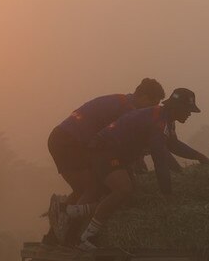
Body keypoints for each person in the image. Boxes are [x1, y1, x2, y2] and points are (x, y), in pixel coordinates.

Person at [76, 88, 209, 250]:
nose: (189, 114)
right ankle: (86, 237)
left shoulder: (165, 118)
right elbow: (160, 160)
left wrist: (198, 156)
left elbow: (173, 144)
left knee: (131, 196)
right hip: (105, 151)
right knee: (123, 190)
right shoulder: (158, 122)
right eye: (188, 110)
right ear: (176, 107)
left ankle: (71, 213)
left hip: (116, 154)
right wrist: (168, 194)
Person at [48, 78, 165, 207]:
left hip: (65, 138)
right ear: (144, 97)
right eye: (152, 104)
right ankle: (71, 219)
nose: (153, 109)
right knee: (93, 188)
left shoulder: (122, 101)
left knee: (85, 188)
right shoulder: (128, 110)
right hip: (70, 141)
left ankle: (62, 214)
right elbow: (119, 144)